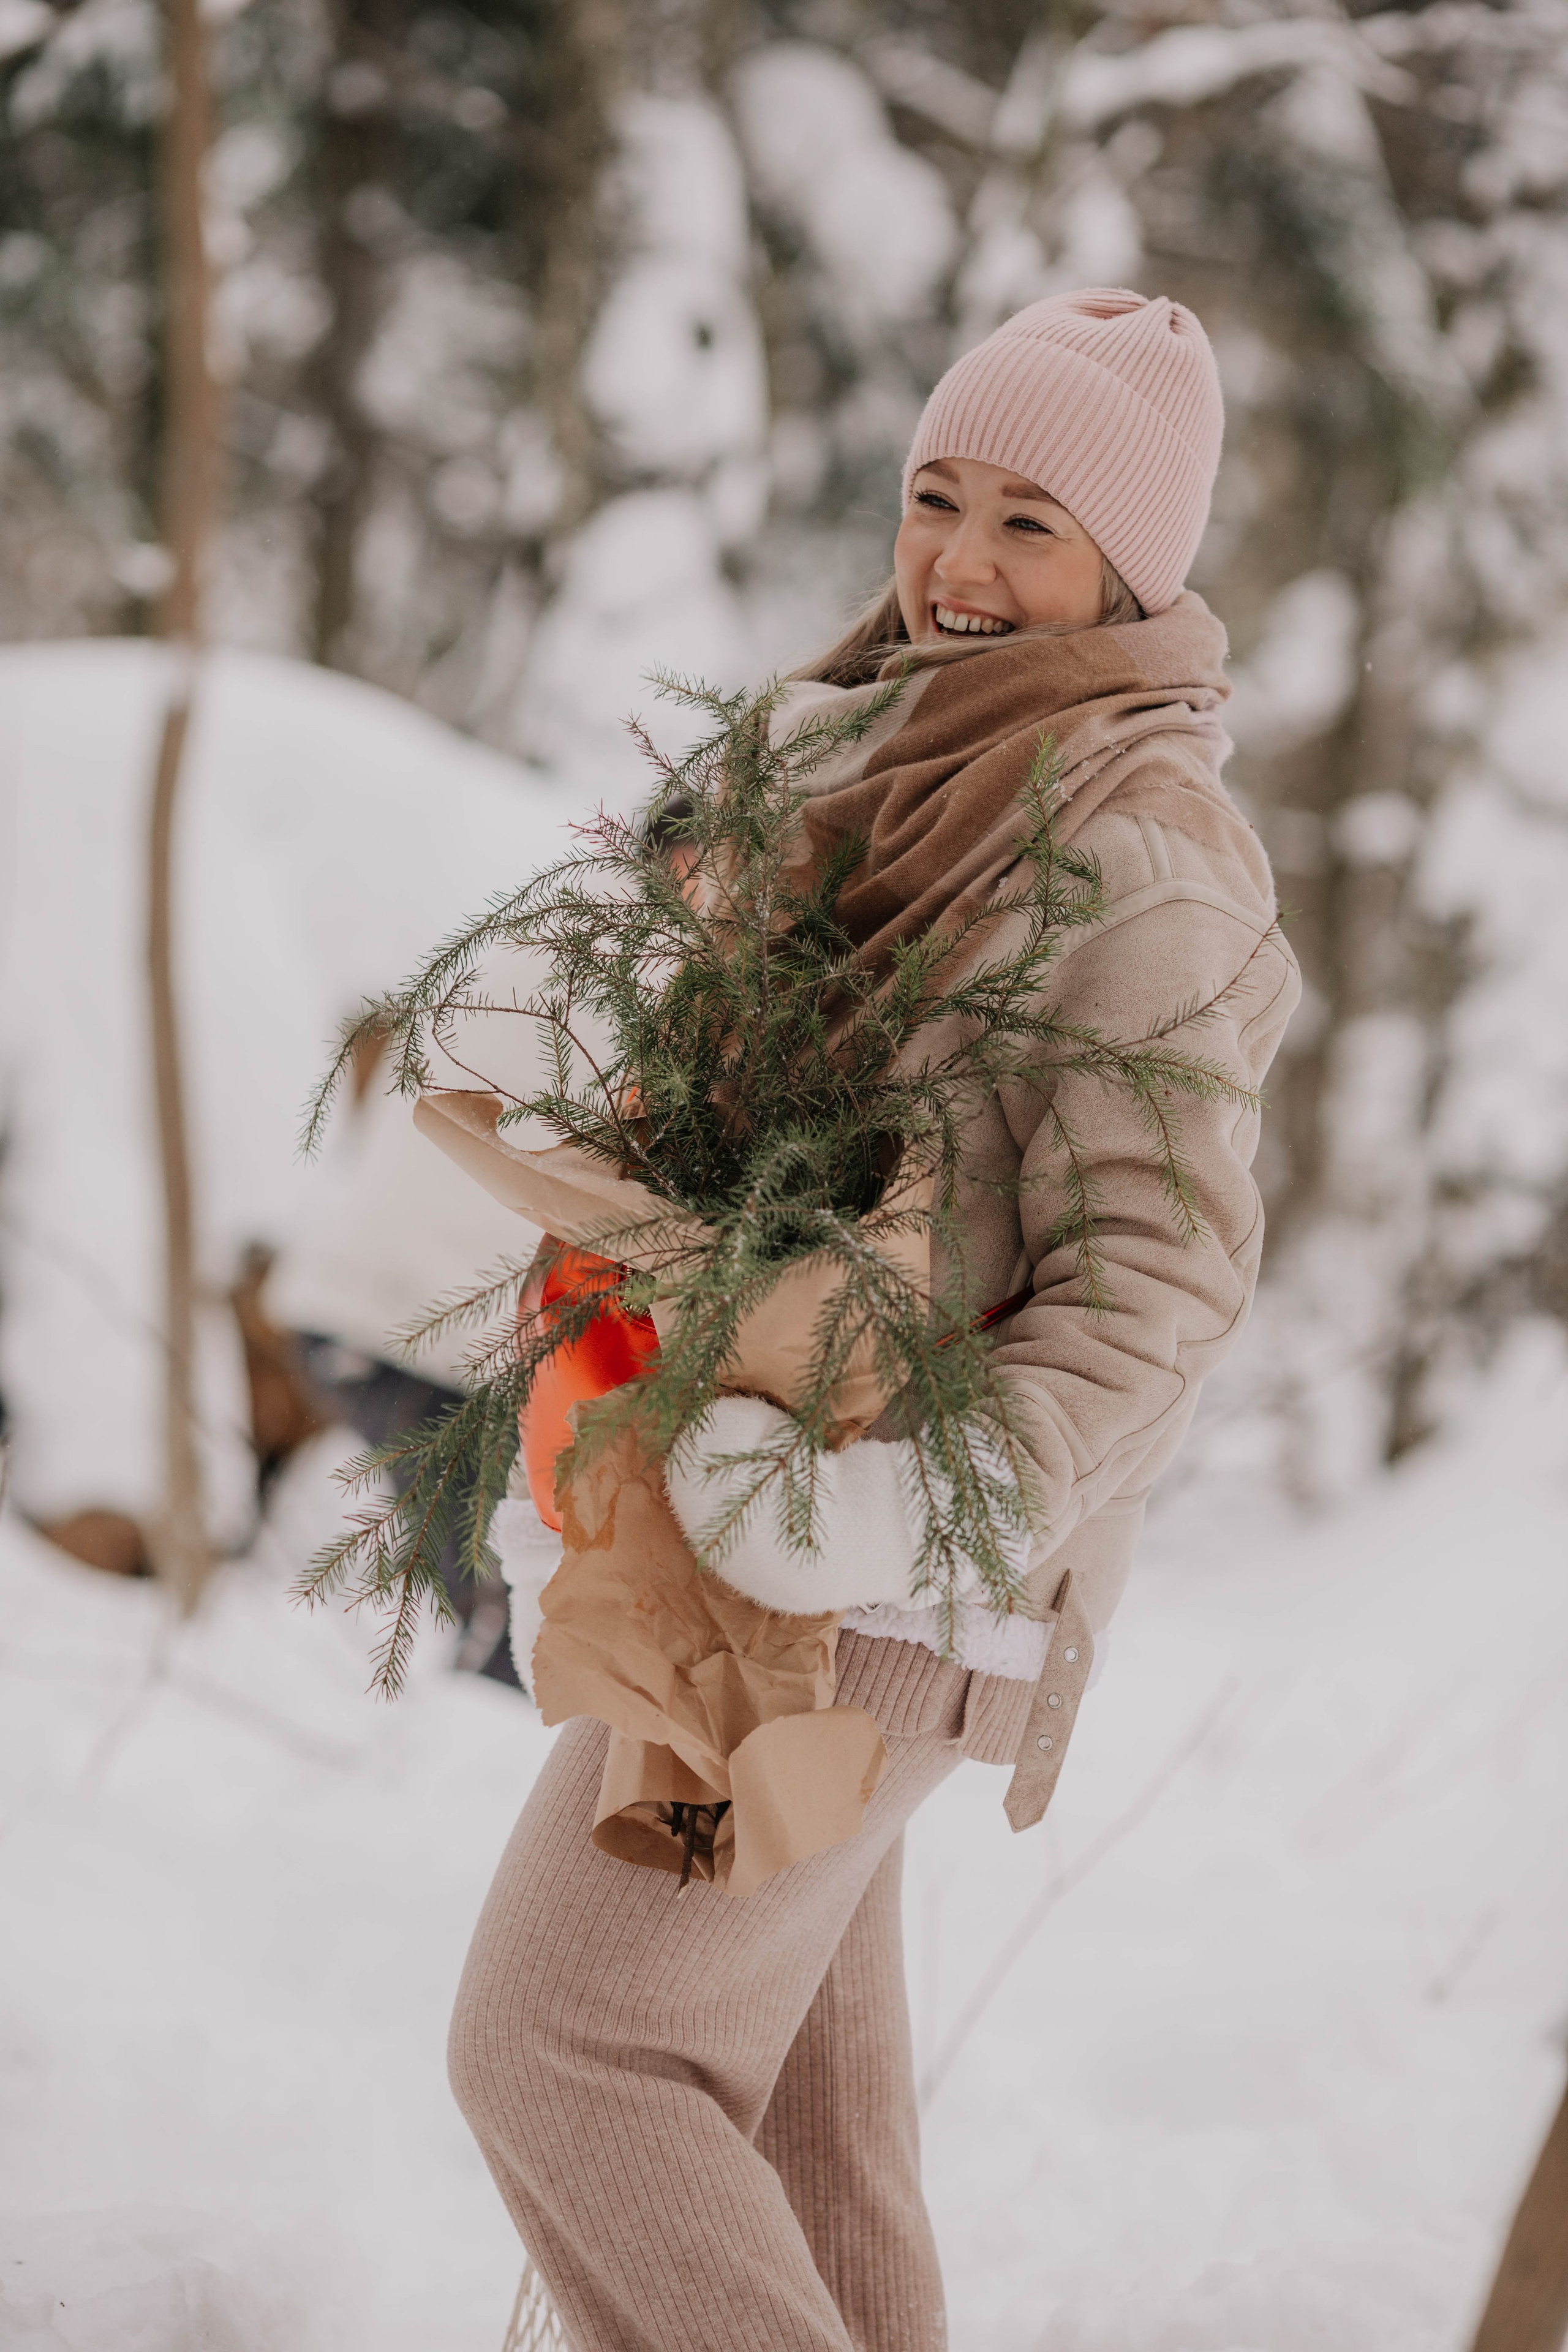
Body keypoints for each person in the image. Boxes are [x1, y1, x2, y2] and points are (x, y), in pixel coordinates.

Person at [448, 286, 1301, 2352]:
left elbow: (1157, 1278)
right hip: (748, 1511)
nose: (962, 565)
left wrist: (905, 1515)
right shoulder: (861, 770)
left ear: (1134, 565)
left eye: (1033, 521)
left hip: (880, 1579)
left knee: (567, 2050)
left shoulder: (1140, 847)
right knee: (815, 2161)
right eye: (938, 498)